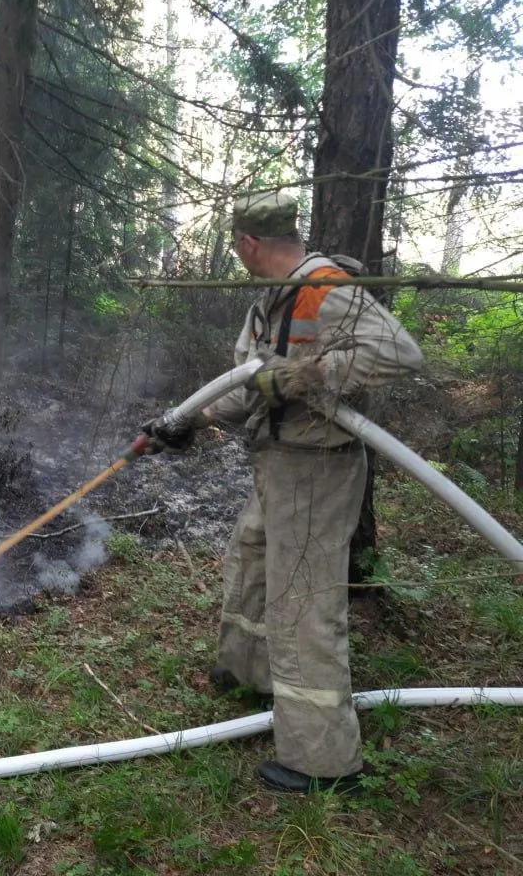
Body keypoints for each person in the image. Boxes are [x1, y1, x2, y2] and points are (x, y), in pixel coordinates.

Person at [143, 191, 424, 794]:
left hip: (318, 469)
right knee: (250, 563)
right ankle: (249, 675)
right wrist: (189, 419)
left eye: (236, 246)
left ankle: (324, 762)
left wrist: (308, 374)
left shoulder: (326, 287)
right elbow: (248, 385)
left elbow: (400, 352)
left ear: (247, 243)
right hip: (277, 465)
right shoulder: (268, 302)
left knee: (303, 603)